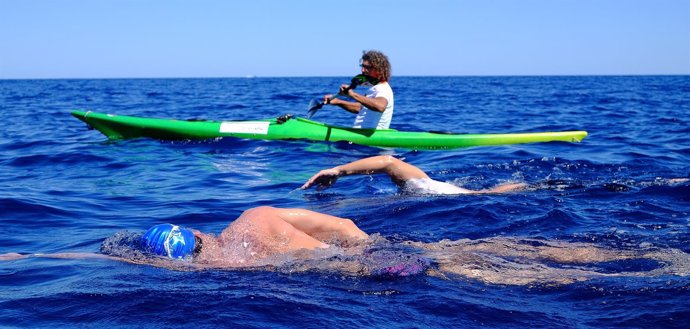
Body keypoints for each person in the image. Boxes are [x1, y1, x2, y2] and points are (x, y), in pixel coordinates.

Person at [3, 205, 689, 285]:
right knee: (497, 252)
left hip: (365, 273)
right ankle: (656, 260)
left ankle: (651, 275)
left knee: (498, 278)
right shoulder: (258, 217)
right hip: (380, 247)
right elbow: (345, 228)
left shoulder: (220, 272)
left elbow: (102, 257)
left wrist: (30, 259)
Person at [301, 155, 528, 194]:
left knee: (480, 194)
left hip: (450, 197)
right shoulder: (416, 187)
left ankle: (526, 187)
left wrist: (337, 170)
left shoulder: (422, 186)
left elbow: (389, 162)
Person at [325, 50, 394, 129]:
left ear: (379, 69)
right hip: (361, 135)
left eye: (367, 67)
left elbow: (380, 106)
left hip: (371, 138)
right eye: (362, 66)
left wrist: (352, 94)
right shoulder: (373, 88)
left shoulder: (383, 89)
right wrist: (337, 102)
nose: (363, 70)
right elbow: (359, 108)